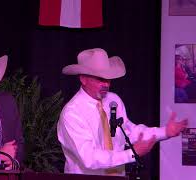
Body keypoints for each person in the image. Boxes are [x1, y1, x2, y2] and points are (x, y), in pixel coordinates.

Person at [57, 48, 188, 175]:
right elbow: (89, 158)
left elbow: (129, 132)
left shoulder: (113, 100)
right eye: (100, 79)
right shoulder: (72, 113)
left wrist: (165, 131)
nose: (106, 84)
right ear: (83, 79)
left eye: (108, 79)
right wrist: (131, 153)